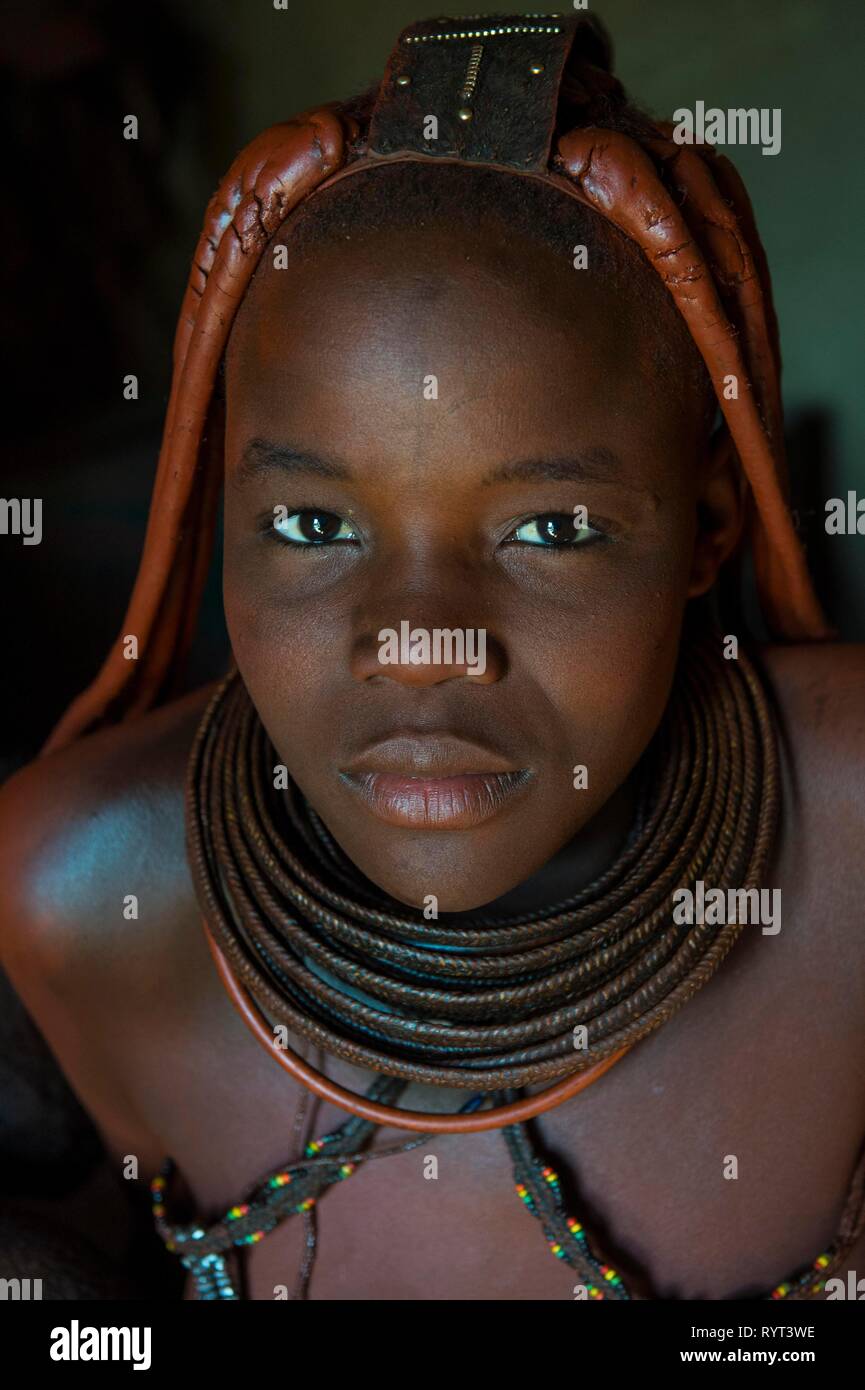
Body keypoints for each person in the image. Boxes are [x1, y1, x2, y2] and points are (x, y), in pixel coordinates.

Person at [1, 12, 864, 1302]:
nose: (418, 643)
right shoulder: (70, 889)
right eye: (311, 525)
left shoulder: (851, 843)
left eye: (551, 529)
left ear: (709, 528)